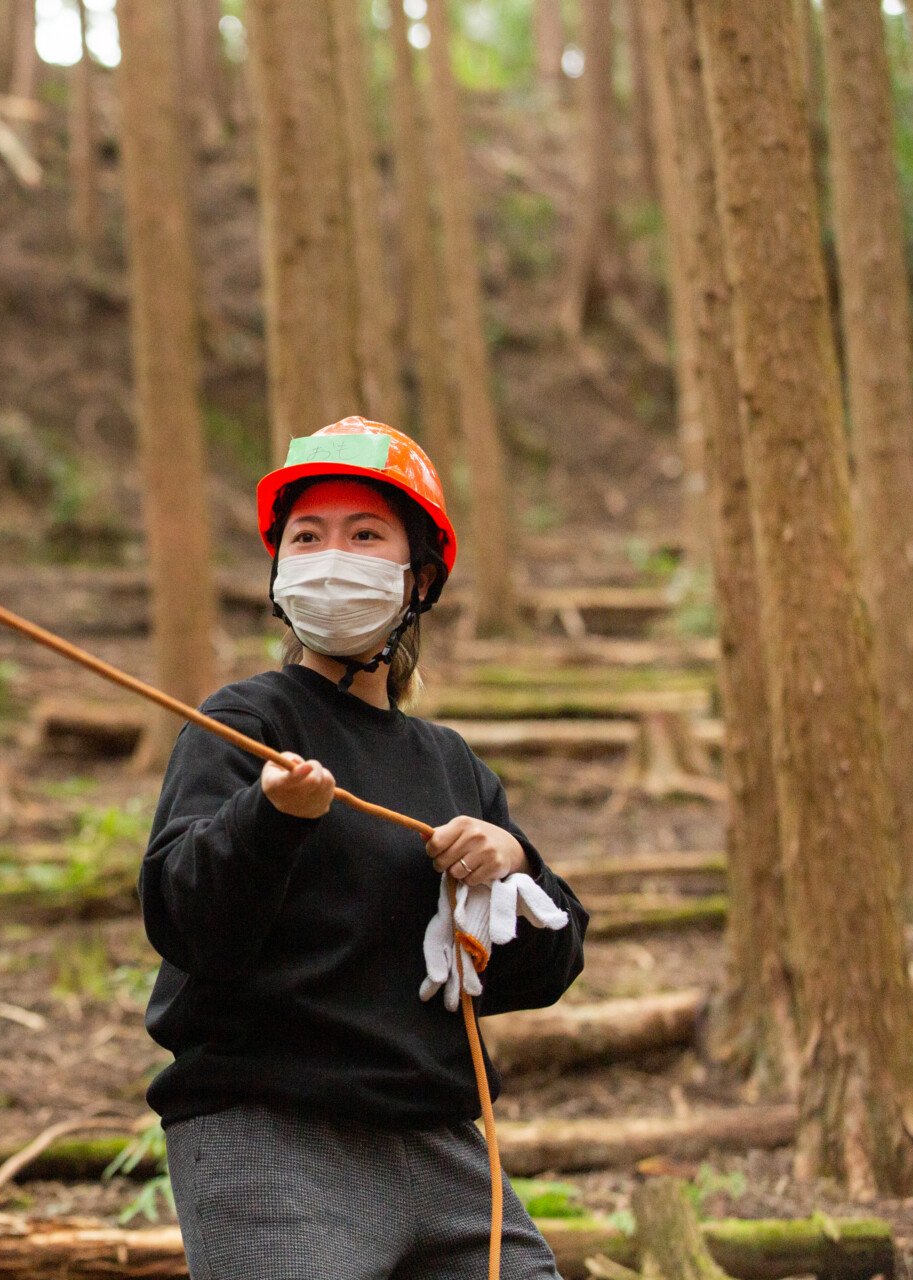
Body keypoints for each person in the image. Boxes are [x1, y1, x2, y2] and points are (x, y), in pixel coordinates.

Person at [138, 418, 588, 1280]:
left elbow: (541, 969)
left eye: (365, 535)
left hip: (441, 1145)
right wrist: (269, 817)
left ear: (420, 578)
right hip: (268, 1135)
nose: (332, 558)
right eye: (308, 537)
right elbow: (188, 922)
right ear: (279, 572)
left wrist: (516, 865)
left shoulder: (451, 765)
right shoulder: (244, 724)